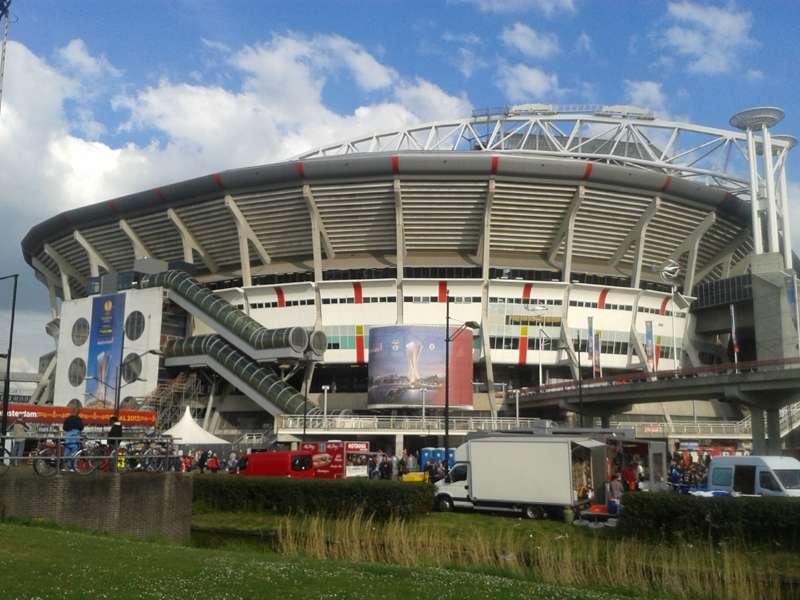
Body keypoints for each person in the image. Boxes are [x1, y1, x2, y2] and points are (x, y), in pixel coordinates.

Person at [62, 403, 84, 472]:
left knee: (66, 452)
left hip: (67, 437)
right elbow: (81, 427)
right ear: (77, 412)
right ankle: (73, 467)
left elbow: (64, 427)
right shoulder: (78, 419)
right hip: (75, 438)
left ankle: (65, 467)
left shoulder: (67, 419)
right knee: (74, 453)